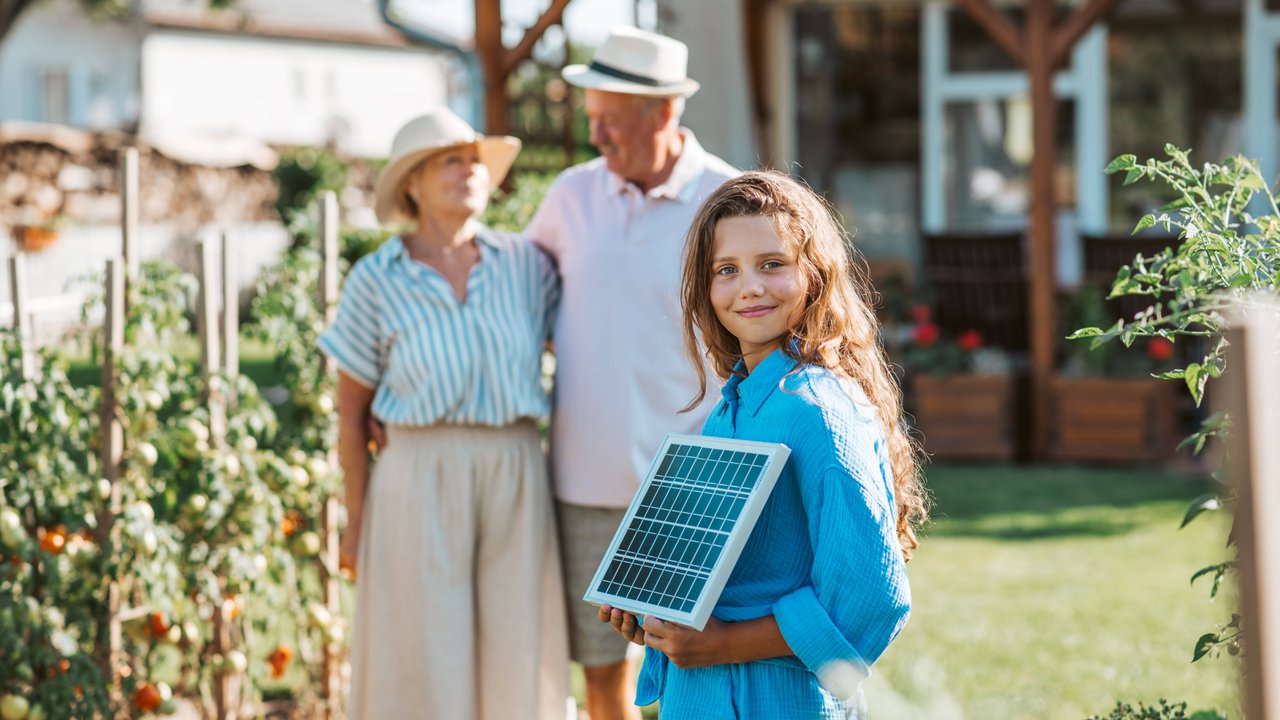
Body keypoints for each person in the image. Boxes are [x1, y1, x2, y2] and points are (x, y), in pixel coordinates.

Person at [598, 171, 930, 718]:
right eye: (726, 270)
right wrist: (655, 611)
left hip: (778, 701)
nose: (749, 286)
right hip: (700, 697)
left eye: (772, 264)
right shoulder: (731, 408)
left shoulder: (818, 412)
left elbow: (873, 599)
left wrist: (724, 644)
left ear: (815, 277)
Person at [318, 107, 568, 719]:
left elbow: (580, 355)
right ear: (412, 183)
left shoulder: (528, 267)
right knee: (423, 649)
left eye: (474, 159)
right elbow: (350, 419)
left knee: (519, 640)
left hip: (514, 467)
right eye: (449, 160)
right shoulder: (376, 279)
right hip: (416, 470)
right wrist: (355, 522)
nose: (468, 170)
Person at [524, 26, 739, 720]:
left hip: (699, 481)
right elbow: (514, 299)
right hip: (585, 480)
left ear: (666, 115)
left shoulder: (728, 198)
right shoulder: (570, 196)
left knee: (698, 663)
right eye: (593, 122)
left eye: (612, 123)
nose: (599, 139)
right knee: (602, 674)